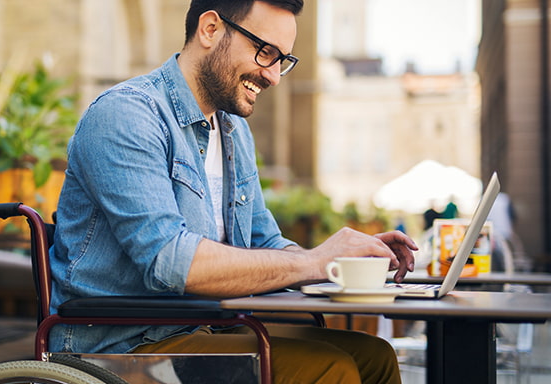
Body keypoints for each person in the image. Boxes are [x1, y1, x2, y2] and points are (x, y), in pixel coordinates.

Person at [49, 1, 418, 382]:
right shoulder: (127, 115)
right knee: (330, 368)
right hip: (124, 348)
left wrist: (346, 260)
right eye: (266, 52)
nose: (274, 76)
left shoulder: (232, 129)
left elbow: (265, 241)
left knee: (373, 355)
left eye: (282, 60)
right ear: (210, 29)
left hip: (204, 331)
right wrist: (317, 262)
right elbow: (171, 261)